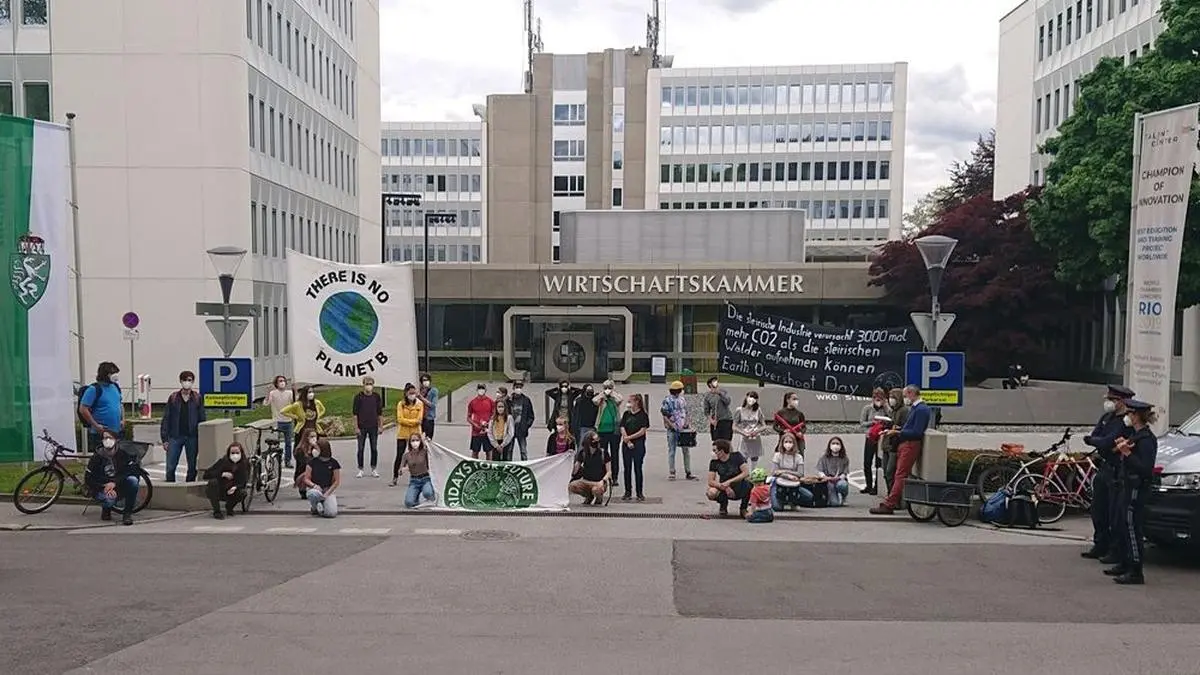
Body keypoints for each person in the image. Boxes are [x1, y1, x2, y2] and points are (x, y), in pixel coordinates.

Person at [1105, 399, 1158, 585]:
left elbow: (1146, 468)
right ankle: (1126, 562)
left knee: (1132, 527)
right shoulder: (1136, 436)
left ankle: (1136, 569)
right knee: (1123, 524)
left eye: (1129, 414)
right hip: (1127, 485)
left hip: (1137, 488)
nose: (1126, 417)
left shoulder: (1146, 440)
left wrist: (1127, 454)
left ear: (1136, 416)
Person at [1081, 384, 1135, 561]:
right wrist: (1096, 440)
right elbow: (1095, 437)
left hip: (1116, 470)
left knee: (1115, 513)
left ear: (1122, 402)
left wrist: (1096, 441)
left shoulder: (1126, 422)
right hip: (1103, 467)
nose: (1109, 403)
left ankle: (1115, 549)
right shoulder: (1107, 417)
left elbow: (1107, 441)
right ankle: (1100, 544)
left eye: (1113, 400)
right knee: (1098, 509)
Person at [871, 385, 933, 515]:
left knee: (900, 474)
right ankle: (891, 501)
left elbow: (916, 432)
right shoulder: (917, 408)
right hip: (906, 443)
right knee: (898, 473)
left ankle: (890, 503)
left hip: (910, 444)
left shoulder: (921, 409)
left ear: (911, 394)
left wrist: (898, 432)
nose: (905, 399)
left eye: (905, 396)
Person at [84, 429, 138, 525]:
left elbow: (129, 471)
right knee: (109, 501)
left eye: (110, 438)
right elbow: (88, 478)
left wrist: (114, 483)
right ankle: (106, 509)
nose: (107, 440)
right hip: (101, 488)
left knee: (133, 481)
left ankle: (127, 514)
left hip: (117, 485)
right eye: (105, 438)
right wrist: (104, 486)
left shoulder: (122, 454)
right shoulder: (96, 457)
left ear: (116, 440)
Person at [160, 370, 206, 483]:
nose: (187, 382)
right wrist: (165, 439)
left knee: (192, 467)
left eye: (189, 380)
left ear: (193, 382)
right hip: (175, 436)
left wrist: (202, 438)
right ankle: (170, 487)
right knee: (170, 466)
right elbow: (166, 418)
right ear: (180, 381)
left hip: (192, 437)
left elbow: (202, 418)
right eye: (185, 380)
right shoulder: (174, 398)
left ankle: (188, 488)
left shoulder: (197, 398)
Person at [282, 386, 324, 494]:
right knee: (302, 461)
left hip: (314, 433)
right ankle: (301, 485)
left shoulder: (317, 403)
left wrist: (318, 417)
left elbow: (323, 410)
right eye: (309, 392)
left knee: (315, 459)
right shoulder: (298, 404)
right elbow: (284, 411)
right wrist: (296, 417)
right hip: (302, 433)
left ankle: (314, 484)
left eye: (312, 392)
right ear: (305, 393)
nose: (311, 394)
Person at [79, 361, 124, 452]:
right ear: (105, 374)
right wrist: (96, 425)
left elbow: (120, 404)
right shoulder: (94, 389)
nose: (115, 375)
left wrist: (123, 419)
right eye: (112, 373)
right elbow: (83, 409)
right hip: (100, 433)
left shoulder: (115, 387)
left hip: (116, 431)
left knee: (117, 460)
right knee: (101, 459)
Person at [660, 380, 697, 481]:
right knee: (672, 450)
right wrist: (671, 425)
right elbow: (664, 414)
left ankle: (688, 471)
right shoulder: (667, 400)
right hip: (672, 429)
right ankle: (672, 471)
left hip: (683, 428)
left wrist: (687, 422)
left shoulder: (682, 400)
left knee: (686, 450)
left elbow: (686, 412)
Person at [203, 442, 249, 519]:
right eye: (232, 453)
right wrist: (222, 474)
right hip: (220, 489)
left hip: (233, 490)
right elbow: (206, 474)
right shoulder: (223, 461)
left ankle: (229, 507)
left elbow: (244, 481)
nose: (235, 455)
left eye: (237, 453)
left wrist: (235, 487)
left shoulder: (244, 464)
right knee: (212, 483)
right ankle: (217, 511)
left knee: (243, 493)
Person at [706, 439, 751, 517]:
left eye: (714, 450)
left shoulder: (737, 456)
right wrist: (724, 486)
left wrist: (729, 482)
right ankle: (723, 505)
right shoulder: (714, 462)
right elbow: (710, 481)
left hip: (739, 484)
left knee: (750, 482)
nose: (713, 453)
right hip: (723, 486)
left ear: (722, 451)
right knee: (711, 492)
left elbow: (746, 472)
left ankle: (743, 508)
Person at [619, 393, 650, 501]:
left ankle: (639, 492)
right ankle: (627, 492)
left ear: (637, 402)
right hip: (626, 444)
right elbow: (622, 426)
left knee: (638, 468)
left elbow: (642, 430)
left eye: (630, 401)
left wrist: (631, 437)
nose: (629, 403)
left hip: (638, 444)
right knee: (627, 468)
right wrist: (626, 439)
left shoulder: (643, 415)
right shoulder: (626, 414)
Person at [391, 383, 424, 484]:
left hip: (415, 434)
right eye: (410, 393)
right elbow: (400, 419)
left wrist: (409, 422)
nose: (412, 395)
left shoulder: (419, 404)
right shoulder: (401, 404)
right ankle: (395, 477)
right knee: (399, 455)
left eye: (414, 393)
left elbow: (419, 419)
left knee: (417, 456)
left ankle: (418, 477)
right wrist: (412, 422)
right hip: (403, 433)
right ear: (406, 393)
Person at [858, 388, 889, 495]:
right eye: (876, 398)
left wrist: (885, 407)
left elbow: (890, 419)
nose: (878, 400)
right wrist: (872, 422)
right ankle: (868, 484)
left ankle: (877, 486)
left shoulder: (886, 409)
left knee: (878, 463)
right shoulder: (867, 408)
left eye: (880, 398)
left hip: (881, 438)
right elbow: (862, 423)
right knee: (867, 462)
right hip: (870, 437)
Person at [770, 431, 812, 510]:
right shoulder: (777, 455)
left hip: (793, 484)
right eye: (786, 442)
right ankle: (777, 498)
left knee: (809, 496)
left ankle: (791, 501)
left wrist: (783, 471)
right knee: (777, 507)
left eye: (790, 442)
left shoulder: (798, 457)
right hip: (779, 483)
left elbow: (800, 473)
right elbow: (774, 472)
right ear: (782, 443)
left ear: (794, 443)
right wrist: (788, 476)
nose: (788, 444)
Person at [593, 380, 623, 486]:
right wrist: (603, 395)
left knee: (614, 454)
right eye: (606, 387)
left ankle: (614, 477)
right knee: (603, 454)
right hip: (602, 430)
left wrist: (612, 394)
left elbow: (620, 400)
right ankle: (603, 475)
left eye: (609, 387)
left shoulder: (616, 397)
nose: (607, 389)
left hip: (614, 430)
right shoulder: (601, 398)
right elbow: (594, 401)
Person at [352, 376, 383, 478]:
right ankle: (360, 469)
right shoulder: (358, 397)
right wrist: (356, 427)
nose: (368, 386)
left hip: (373, 426)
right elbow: (355, 414)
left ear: (373, 385)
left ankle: (374, 468)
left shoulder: (376, 397)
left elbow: (380, 413)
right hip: (362, 427)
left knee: (374, 448)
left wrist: (380, 426)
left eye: (370, 384)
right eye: (367, 384)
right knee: (361, 448)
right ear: (363, 385)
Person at [569, 431, 611, 506]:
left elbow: (609, 471)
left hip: (599, 481)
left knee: (596, 489)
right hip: (585, 480)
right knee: (572, 486)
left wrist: (603, 480)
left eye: (597, 440)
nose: (596, 442)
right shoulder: (583, 453)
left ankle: (599, 498)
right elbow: (575, 470)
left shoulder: (603, 453)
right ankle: (589, 496)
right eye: (594, 440)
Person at [880, 387, 909, 494]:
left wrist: (896, 428)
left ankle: (894, 498)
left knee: (890, 472)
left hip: (895, 445)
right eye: (890, 397)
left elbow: (905, 427)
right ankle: (890, 495)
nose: (890, 400)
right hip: (887, 444)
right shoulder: (893, 411)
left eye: (893, 397)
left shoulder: (904, 411)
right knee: (885, 472)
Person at [303, 438, 341, 518]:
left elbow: (336, 481)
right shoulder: (312, 462)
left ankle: (323, 506)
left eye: (316, 448)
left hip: (327, 490)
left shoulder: (333, 463)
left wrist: (327, 493)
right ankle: (314, 507)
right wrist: (314, 485)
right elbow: (306, 478)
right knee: (313, 494)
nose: (314, 450)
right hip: (316, 489)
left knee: (331, 513)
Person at [398, 432, 435, 508]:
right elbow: (400, 470)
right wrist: (402, 470)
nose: (415, 442)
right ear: (410, 442)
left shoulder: (424, 452)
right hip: (414, 481)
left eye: (417, 440)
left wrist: (428, 442)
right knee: (409, 503)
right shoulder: (406, 455)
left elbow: (433, 452)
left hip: (425, 478)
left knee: (428, 493)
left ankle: (431, 494)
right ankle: (416, 497)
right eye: (413, 440)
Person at [733, 391, 768, 469]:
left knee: (754, 457)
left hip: (755, 437)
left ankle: (753, 473)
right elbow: (734, 426)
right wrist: (743, 433)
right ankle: (744, 474)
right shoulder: (739, 410)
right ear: (746, 397)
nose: (752, 400)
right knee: (743, 457)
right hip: (744, 437)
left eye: (754, 398)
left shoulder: (758, 410)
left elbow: (764, 425)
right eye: (750, 397)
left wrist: (756, 431)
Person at [266, 375, 295, 467]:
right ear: (276, 383)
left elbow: (295, 403)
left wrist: (295, 391)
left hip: (288, 421)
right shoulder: (273, 393)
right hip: (277, 421)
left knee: (288, 443)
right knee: (275, 442)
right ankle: (276, 460)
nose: (282, 382)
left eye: (283, 381)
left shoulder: (289, 393)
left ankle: (288, 461)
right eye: (280, 381)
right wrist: (267, 392)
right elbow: (266, 403)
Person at [817, 437, 851, 506]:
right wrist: (826, 477)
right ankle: (832, 497)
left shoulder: (844, 458)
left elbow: (845, 472)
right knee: (834, 504)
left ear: (841, 446)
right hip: (828, 481)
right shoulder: (824, 458)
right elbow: (820, 471)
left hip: (839, 480)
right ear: (829, 446)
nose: (835, 445)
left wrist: (838, 478)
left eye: (837, 444)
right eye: (833, 443)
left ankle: (843, 497)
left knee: (842, 485)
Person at [508, 381, 536, 461]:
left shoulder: (526, 400)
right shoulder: (509, 400)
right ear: (513, 388)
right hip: (510, 429)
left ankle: (525, 465)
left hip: (521, 429)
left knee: (523, 450)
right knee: (509, 450)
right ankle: (509, 465)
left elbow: (531, 415)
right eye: (517, 387)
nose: (518, 389)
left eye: (520, 387)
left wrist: (526, 425)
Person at [467, 383, 495, 460]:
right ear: (477, 390)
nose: (481, 390)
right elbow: (468, 417)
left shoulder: (490, 402)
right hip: (476, 432)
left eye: (482, 388)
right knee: (475, 452)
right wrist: (475, 424)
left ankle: (489, 467)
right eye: (479, 388)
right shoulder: (472, 402)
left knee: (489, 452)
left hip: (487, 431)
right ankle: (474, 466)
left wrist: (488, 423)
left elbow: (493, 415)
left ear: (485, 390)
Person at [703, 376, 734, 441]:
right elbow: (706, 411)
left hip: (726, 420)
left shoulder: (723, 392)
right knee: (716, 442)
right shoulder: (707, 396)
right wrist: (711, 420)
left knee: (727, 442)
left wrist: (719, 393)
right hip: (716, 421)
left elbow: (728, 402)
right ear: (710, 385)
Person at [417, 373, 439, 439]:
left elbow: (433, 405)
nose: (425, 382)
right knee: (418, 439)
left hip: (429, 418)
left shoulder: (433, 391)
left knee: (428, 439)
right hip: (419, 418)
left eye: (427, 380)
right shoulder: (418, 390)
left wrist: (421, 398)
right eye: (424, 380)